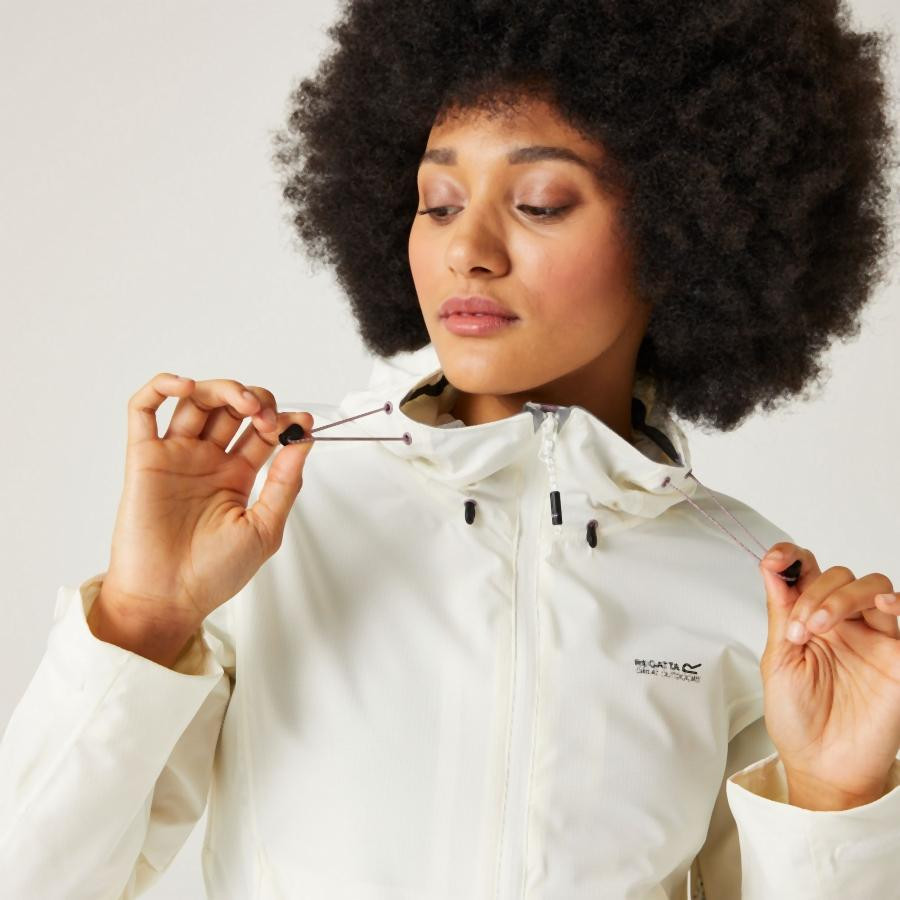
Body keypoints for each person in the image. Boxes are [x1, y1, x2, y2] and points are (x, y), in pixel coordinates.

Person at [2, 1, 899, 897]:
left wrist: (835, 798)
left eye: (540, 203)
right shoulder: (271, 514)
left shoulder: (757, 598)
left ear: (688, 227)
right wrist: (142, 620)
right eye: (438, 204)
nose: (466, 249)